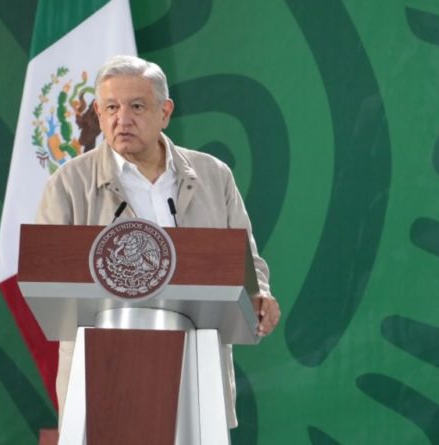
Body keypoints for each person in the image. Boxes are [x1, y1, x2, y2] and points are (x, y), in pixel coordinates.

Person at [35, 54, 280, 428]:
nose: (122, 119)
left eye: (136, 106)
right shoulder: (69, 183)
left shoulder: (213, 176)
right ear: (98, 114)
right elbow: (47, 272)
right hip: (103, 372)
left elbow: (244, 261)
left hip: (195, 363)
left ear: (165, 112)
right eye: (111, 108)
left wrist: (259, 294)